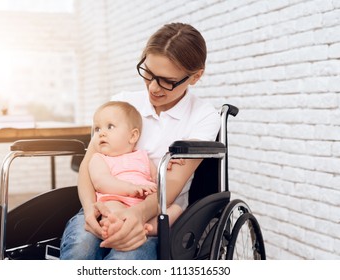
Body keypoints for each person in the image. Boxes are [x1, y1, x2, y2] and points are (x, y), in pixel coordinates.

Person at [60, 22, 221, 260]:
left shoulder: (203, 117)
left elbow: (171, 186)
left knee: (125, 260)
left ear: (195, 76)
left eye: (167, 81)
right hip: (104, 206)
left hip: (158, 216)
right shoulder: (122, 104)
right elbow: (89, 164)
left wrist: (137, 215)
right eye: (148, 73)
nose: (153, 88)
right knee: (80, 247)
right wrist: (89, 210)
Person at [88, 101, 183, 239]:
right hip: (116, 200)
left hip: (144, 206)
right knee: (112, 210)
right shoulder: (99, 158)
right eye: (97, 129)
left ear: (132, 136)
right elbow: (101, 182)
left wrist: (167, 166)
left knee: (176, 209)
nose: (101, 133)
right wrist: (130, 188)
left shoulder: (143, 156)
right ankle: (119, 226)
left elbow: (156, 178)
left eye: (110, 127)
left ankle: (145, 228)